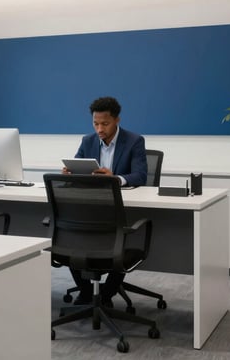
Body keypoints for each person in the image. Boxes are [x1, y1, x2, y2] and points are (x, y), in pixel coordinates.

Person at [63, 96, 148, 305]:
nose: (99, 129)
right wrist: (71, 173)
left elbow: (140, 176)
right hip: (91, 206)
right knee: (69, 238)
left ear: (117, 120)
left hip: (119, 208)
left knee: (118, 241)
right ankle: (86, 292)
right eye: (95, 123)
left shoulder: (134, 141)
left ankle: (107, 295)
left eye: (105, 123)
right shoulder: (88, 141)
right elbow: (78, 165)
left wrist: (115, 179)